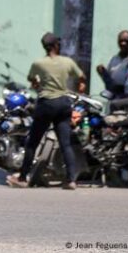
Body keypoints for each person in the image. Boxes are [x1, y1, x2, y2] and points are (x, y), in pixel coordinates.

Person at [7, 33, 85, 190]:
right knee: (65, 144)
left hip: (46, 104)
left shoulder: (38, 63)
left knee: (32, 143)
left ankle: (22, 178)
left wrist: (37, 84)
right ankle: (71, 180)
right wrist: (81, 86)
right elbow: (81, 77)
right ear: (57, 45)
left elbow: (32, 79)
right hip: (63, 103)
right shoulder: (67, 62)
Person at [96, 30, 128, 98]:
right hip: (114, 96)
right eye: (120, 41)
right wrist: (103, 72)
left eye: (126, 41)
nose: (123, 43)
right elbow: (110, 79)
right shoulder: (114, 59)